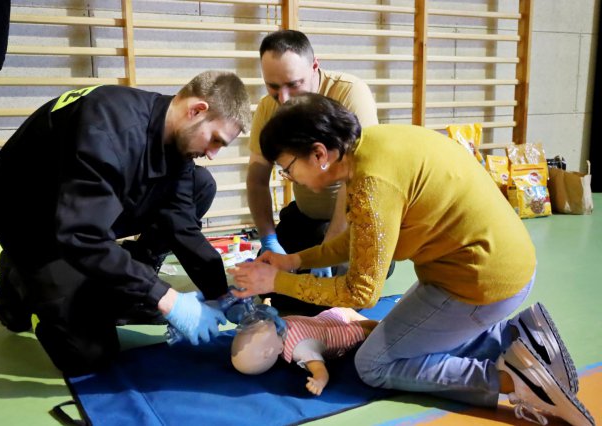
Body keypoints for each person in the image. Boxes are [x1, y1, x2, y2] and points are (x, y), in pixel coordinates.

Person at [228, 94, 594, 425]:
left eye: (287, 169)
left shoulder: (373, 184)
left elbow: (361, 293)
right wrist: (292, 261)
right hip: (494, 266)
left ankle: (517, 381)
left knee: (373, 364)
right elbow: (362, 243)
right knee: (406, 336)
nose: (290, 178)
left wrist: (276, 283)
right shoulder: (371, 146)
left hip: (483, 282)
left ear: (320, 154)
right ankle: (517, 336)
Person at [0, 71, 252, 376]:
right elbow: (82, 235)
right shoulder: (108, 128)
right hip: (33, 223)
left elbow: (181, 223)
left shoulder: (173, 138)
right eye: (215, 140)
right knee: (89, 355)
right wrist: (167, 298)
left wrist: (222, 294)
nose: (212, 154)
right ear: (196, 110)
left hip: (82, 212)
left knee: (200, 184)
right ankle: (18, 276)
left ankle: (133, 278)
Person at [247, 30, 388, 314]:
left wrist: (326, 253)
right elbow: (257, 178)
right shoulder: (269, 106)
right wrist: (268, 240)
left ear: (315, 67)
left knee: (330, 305)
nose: (284, 99)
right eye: (273, 87)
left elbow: (358, 180)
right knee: (277, 291)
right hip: (305, 216)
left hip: (352, 220)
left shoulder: (349, 92)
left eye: (293, 85)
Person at [231, 303, 378, 396]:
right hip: (339, 335)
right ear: (269, 352)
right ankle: (382, 325)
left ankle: (366, 320)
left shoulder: (275, 326)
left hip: (324, 319)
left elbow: (268, 316)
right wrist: (319, 382)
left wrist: (265, 304)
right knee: (370, 328)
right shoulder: (300, 348)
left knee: (346, 311)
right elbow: (320, 370)